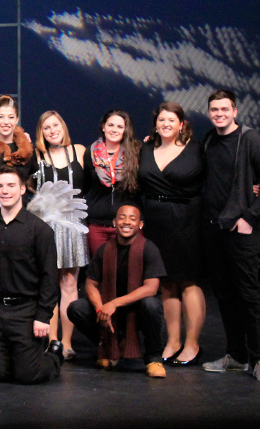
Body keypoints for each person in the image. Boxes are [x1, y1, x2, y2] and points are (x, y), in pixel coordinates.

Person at [0, 165, 62, 384]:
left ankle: (54, 356)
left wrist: (43, 316)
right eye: (0, 186)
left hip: (26, 312)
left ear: (22, 189)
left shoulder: (40, 230)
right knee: (0, 375)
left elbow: (49, 277)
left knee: (28, 376)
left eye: (11, 185)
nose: (5, 191)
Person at [199, 89, 260, 381]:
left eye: (225, 109)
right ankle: (237, 356)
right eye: (214, 109)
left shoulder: (250, 139)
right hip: (214, 230)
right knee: (225, 298)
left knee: (249, 297)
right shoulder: (210, 140)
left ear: (235, 111)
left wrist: (249, 217)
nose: (219, 114)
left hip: (241, 231)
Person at [138, 102, 205, 366]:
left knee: (188, 281)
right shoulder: (145, 147)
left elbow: (224, 175)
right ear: (156, 124)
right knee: (166, 283)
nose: (166, 124)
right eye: (161, 120)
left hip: (187, 220)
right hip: (156, 222)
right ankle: (173, 341)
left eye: (171, 120)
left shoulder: (197, 150)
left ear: (181, 124)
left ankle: (192, 344)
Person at [67, 204, 167, 378]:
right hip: (111, 311)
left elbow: (151, 288)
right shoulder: (105, 250)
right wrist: (100, 309)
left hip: (137, 311)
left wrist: (113, 303)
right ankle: (113, 344)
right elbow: (90, 284)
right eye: (122, 217)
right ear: (114, 222)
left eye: (132, 219)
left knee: (151, 305)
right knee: (76, 309)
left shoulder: (148, 248)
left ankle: (153, 358)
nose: (126, 222)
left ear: (140, 225)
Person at [34, 111, 89, 361]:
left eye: (55, 125)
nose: (52, 130)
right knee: (49, 284)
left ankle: (67, 342)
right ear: (41, 133)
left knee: (69, 284)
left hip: (73, 224)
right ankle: (51, 339)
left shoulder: (79, 151)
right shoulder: (36, 156)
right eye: (47, 128)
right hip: (46, 225)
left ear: (63, 126)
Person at [83, 110, 141, 256]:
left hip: (127, 224)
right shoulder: (91, 152)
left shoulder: (137, 152)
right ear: (103, 127)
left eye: (120, 127)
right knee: (101, 272)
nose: (114, 130)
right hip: (98, 225)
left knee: (127, 270)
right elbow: (86, 186)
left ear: (126, 130)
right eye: (111, 125)